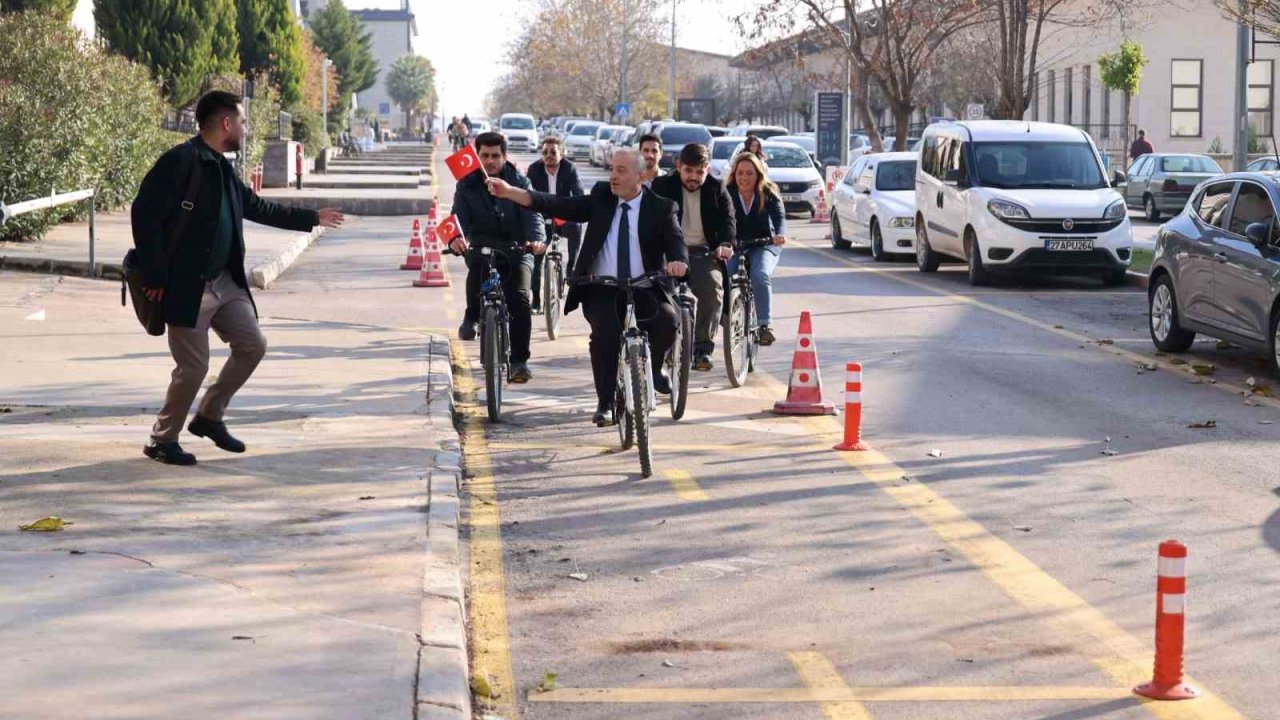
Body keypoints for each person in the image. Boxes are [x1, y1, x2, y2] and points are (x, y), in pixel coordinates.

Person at [132, 90, 345, 465]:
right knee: (193, 367)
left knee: (252, 345)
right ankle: (161, 440)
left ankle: (210, 416)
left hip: (225, 282)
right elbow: (143, 214)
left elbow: (256, 207)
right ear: (226, 123)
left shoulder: (222, 166)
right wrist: (155, 274)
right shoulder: (180, 162)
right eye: (243, 121)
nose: (246, 129)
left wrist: (311, 217)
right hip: (186, 286)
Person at [486, 149, 688, 426]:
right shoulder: (602, 198)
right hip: (602, 286)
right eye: (612, 169)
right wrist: (511, 192)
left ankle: (653, 370)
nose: (613, 176)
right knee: (605, 337)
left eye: (621, 171)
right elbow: (558, 204)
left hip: (645, 285)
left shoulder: (662, 207)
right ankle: (605, 402)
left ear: (640, 176)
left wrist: (677, 261)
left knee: (667, 321)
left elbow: (675, 239)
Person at [449, 131, 546, 383]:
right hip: (482, 247)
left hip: (517, 250)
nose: (490, 161)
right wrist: (456, 239)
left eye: (495, 156)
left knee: (520, 299)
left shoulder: (520, 182)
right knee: (477, 271)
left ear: (505, 157)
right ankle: (471, 316)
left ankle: (519, 361)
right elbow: (458, 218)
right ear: (477, 157)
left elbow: (533, 213)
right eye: (485, 156)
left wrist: (536, 241)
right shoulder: (466, 184)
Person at [650, 143, 735, 371]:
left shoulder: (717, 188)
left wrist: (726, 244)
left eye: (700, 172)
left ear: (707, 169)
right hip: (669, 251)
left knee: (712, 292)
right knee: (659, 296)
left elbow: (728, 219)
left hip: (702, 251)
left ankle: (702, 349)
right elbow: (649, 220)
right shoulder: (662, 185)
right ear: (679, 167)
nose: (694, 177)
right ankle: (661, 350)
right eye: (689, 171)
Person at [725, 152, 786, 346]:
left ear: (758, 174)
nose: (744, 178)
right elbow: (718, 219)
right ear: (734, 174)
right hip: (735, 245)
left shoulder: (767, 191)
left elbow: (779, 216)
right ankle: (726, 317)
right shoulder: (727, 193)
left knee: (760, 274)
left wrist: (779, 235)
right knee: (725, 276)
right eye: (740, 173)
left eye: (749, 173)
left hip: (764, 244)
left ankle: (764, 325)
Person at [526, 136, 585, 313]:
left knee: (575, 226)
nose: (549, 156)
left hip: (564, 215)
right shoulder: (534, 170)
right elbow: (528, 196)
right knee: (536, 257)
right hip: (542, 217)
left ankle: (571, 267)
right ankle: (536, 298)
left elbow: (578, 194)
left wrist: (571, 211)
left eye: (553, 152)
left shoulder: (570, 168)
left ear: (562, 154)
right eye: (545, 152)